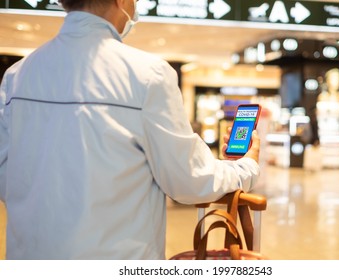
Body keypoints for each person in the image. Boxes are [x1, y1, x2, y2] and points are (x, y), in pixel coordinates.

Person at [0, 0, 261, 259]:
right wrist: (245, 167)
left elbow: (5, 177)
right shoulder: (148, 76)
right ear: (121, 1)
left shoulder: (16, 76)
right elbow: (188, 179)